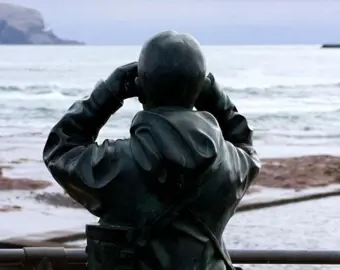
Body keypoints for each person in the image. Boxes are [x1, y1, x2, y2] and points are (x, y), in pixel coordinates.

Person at [43, 30, 261, 270]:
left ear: (141, 89)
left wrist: (106, 94)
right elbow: (245, 145)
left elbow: (61, 150)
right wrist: (216, 98)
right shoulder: (231, 166)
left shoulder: (116, 164)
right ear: (199, 89)